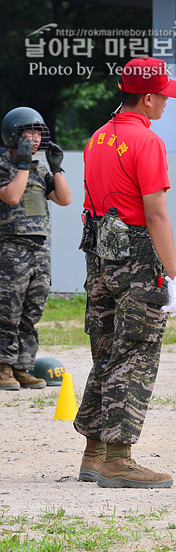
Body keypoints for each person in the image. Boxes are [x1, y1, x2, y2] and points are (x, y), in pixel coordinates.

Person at [73, 57, 176, 488]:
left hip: (99, 254)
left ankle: (94, 452)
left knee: (106, 351)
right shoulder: (147, 142)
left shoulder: (97, 139)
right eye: (163, 96)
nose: (166, 103)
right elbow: (156, 214)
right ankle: (119, 459)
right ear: (148, 97)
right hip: (137, 257)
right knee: (135, 352)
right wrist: (173, 276)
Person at [0, 107, 71, 391]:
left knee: (31, 312)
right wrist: (23, 165)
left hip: (39, 251)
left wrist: (56, 168)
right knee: (7, 312)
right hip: (11, 249)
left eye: (39, 133)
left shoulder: (41, 169)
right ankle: (3, 367)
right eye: (28, 133)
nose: (35, 138)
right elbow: (12, 196)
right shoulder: (4, 165)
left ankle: (23, 366)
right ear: (12, 136)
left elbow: (64, 199)